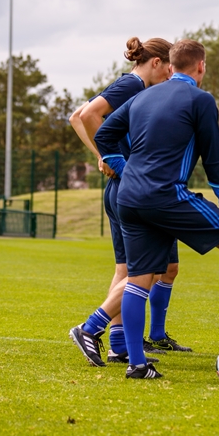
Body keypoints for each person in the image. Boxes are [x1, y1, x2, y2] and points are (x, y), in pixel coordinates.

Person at [95, 39, 219, 379]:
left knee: (138, 279)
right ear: (201, 66)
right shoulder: (201, 100)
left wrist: (125, 168)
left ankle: (137, 364)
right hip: (166, 195)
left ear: (170, 65)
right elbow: (214, 157)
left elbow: (104, 134)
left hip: (129, 199)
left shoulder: (142, 96)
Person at [67, 37, 190, 368]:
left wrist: (104, 155)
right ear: (155, 63)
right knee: (144, 271)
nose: (170, 77)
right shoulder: (132, 84)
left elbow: (77, 117)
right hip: (131, 188)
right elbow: (87, 115)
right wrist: (109, 156)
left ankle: (118, 345)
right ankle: (91, 329)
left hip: (125, 187)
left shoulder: (134, 86)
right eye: (168, 69)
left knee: (128, 269)